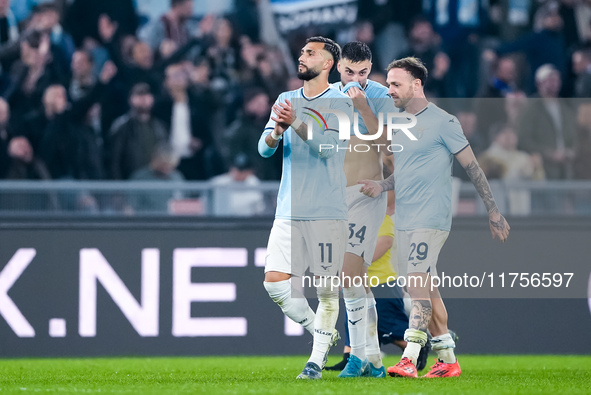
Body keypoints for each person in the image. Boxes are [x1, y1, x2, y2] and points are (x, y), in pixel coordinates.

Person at [359, 57, 510, 378]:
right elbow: (404, 177)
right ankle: (448, 359)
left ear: (417, 85)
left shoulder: (444, 122)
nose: (390, 90)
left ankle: (410, 357)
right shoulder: (401, 125)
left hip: (431, 219)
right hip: (406, 220)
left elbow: (473, 168)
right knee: (427, 289)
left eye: (396, 84)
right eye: (388, 84)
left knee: (416, 287)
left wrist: (494, 211)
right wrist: (380, 184)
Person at [258, 36, 353, 380]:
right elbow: (264, 149)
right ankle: (323, 334)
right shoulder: (285, 99)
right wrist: (276, 132)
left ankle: (314, 364)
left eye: (310, 53)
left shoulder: (342, 103)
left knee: (326, 290)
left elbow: (328, 148)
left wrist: (296, 123)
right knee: (274, 283)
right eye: (302, 52)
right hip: (288, 209)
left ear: (328, 64)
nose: (302, 56)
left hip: (327, 210)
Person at [327, 41, 393, 378]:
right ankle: (376, 362)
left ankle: (357, 358)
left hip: (367, 194)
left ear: (370, 69)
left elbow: (389, 149)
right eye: (350, 71)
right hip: (335, 196)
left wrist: (365, 108)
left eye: (363, 72)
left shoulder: (381, 96)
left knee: (348, 274)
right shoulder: (324, 95)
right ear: (339, 67)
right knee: (356, 281)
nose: (357, 77)